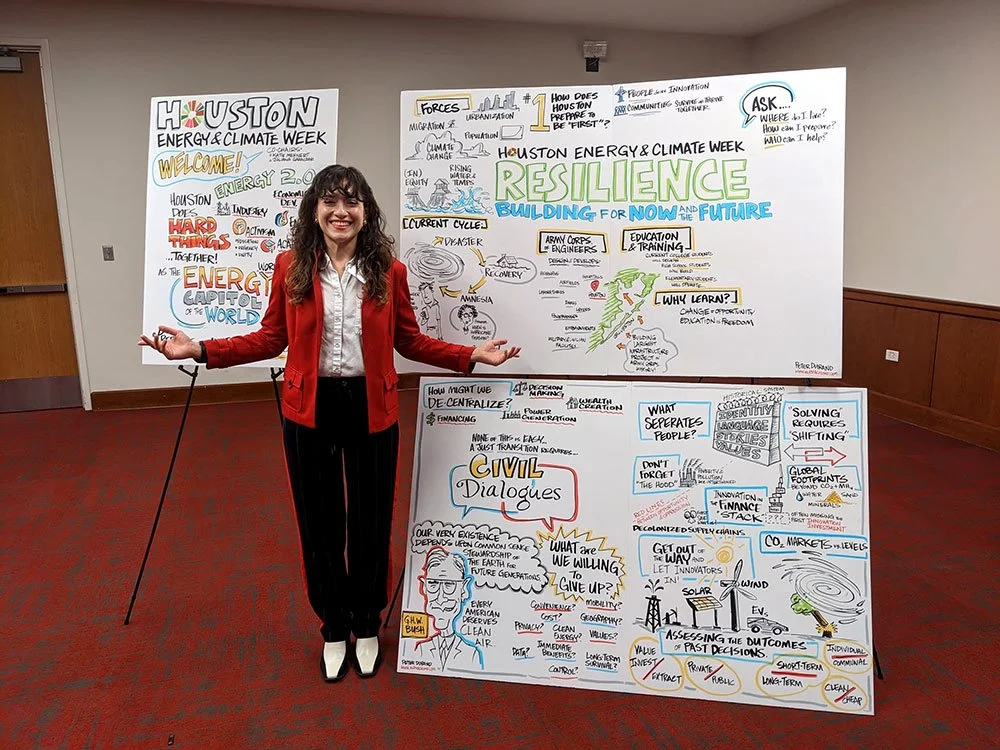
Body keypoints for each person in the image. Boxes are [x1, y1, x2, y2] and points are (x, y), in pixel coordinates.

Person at [139, 165, 520, 682]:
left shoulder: (390, 270)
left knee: (369, 520)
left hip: (372, 406)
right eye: (330, 201)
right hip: (309, 409)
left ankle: (366, 621)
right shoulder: (291, 266)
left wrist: (468, 352)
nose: (341, 211)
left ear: (366, 212)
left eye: (353, 202)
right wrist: (202, 349)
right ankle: (334, 625)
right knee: (319, 524)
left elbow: (409, 341)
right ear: (314, 210)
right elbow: (269, 339)